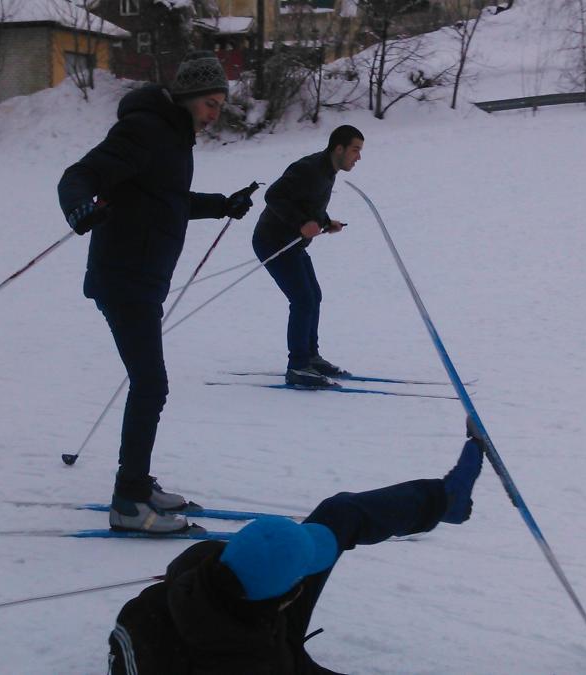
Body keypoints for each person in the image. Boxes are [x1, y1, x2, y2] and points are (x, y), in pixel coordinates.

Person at [107, 419, 485, 674]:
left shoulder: (195, 566)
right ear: (286, 600)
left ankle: (445, 500)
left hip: (247, 625)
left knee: (339, 513)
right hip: (253, 649)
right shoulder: (261, 662)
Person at [56, 52, 256, 534]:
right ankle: (128, 502)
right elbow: (77, 176)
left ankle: (139, 485)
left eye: (218, 106)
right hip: (124, 278)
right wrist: (80, 208)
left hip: (142, 278)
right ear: (187, 97)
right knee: (151, 384)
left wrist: (220, 205)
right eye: (209, 104)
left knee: (150, 384)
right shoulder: (145, 129)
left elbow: (166, 199)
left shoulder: (172, 138)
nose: (213, 115)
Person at [252, 125, 364, 389]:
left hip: (292, 244)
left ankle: (310, 357)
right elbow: (274, 195)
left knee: (313, 295)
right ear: (339, 148)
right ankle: (298, 366)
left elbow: (306, 203)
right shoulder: (308, 168)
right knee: (302, 298)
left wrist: (325, 221)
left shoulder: (327, 171)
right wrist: (302, 223)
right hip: (272, 242)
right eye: (355, 150)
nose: (358, 157)